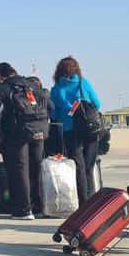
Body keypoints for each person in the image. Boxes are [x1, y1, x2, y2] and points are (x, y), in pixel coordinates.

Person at [0, 63, 48, 220]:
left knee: (20, 169)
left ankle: (23, 209)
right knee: (36, 167)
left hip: (17, 134)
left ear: (0, 75)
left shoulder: (2, 89)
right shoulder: (30, 85)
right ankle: (38, 207)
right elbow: (50, 105)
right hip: (39, 131)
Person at [49, 56, 102, 204]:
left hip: (69, 130)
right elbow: (97, 103)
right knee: (89, 165)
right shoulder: (83, 83)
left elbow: (53, 113)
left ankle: (83, 201)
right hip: (89, 127)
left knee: (79, 166)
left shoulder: (57, 89)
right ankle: (92, 198)